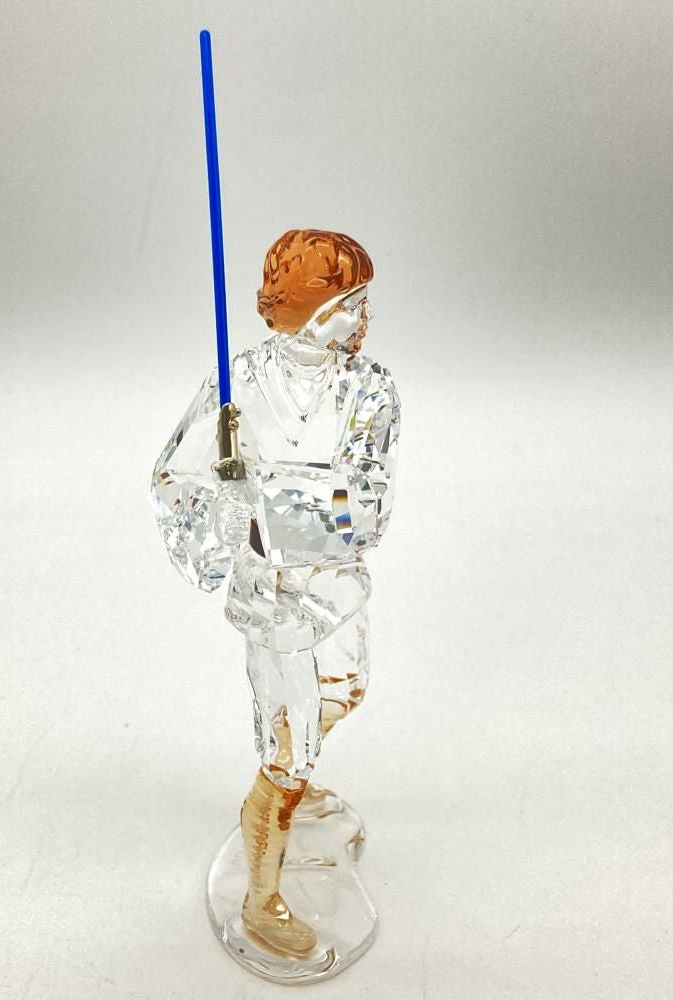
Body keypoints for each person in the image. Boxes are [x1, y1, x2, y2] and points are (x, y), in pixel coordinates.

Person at [151, 229, 400, 956]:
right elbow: (174, 482)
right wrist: (221, 511)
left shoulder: (371, 389)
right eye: (351, 304)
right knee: (286, 751)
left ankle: (298, 766)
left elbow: (368, 507)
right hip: (275, 607)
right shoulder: (237, 389)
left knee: (346, 692)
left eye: (363, 301)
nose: (363, 317)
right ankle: (263, 895)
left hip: (337, 589)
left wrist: (261, 501)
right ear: (312, 311)